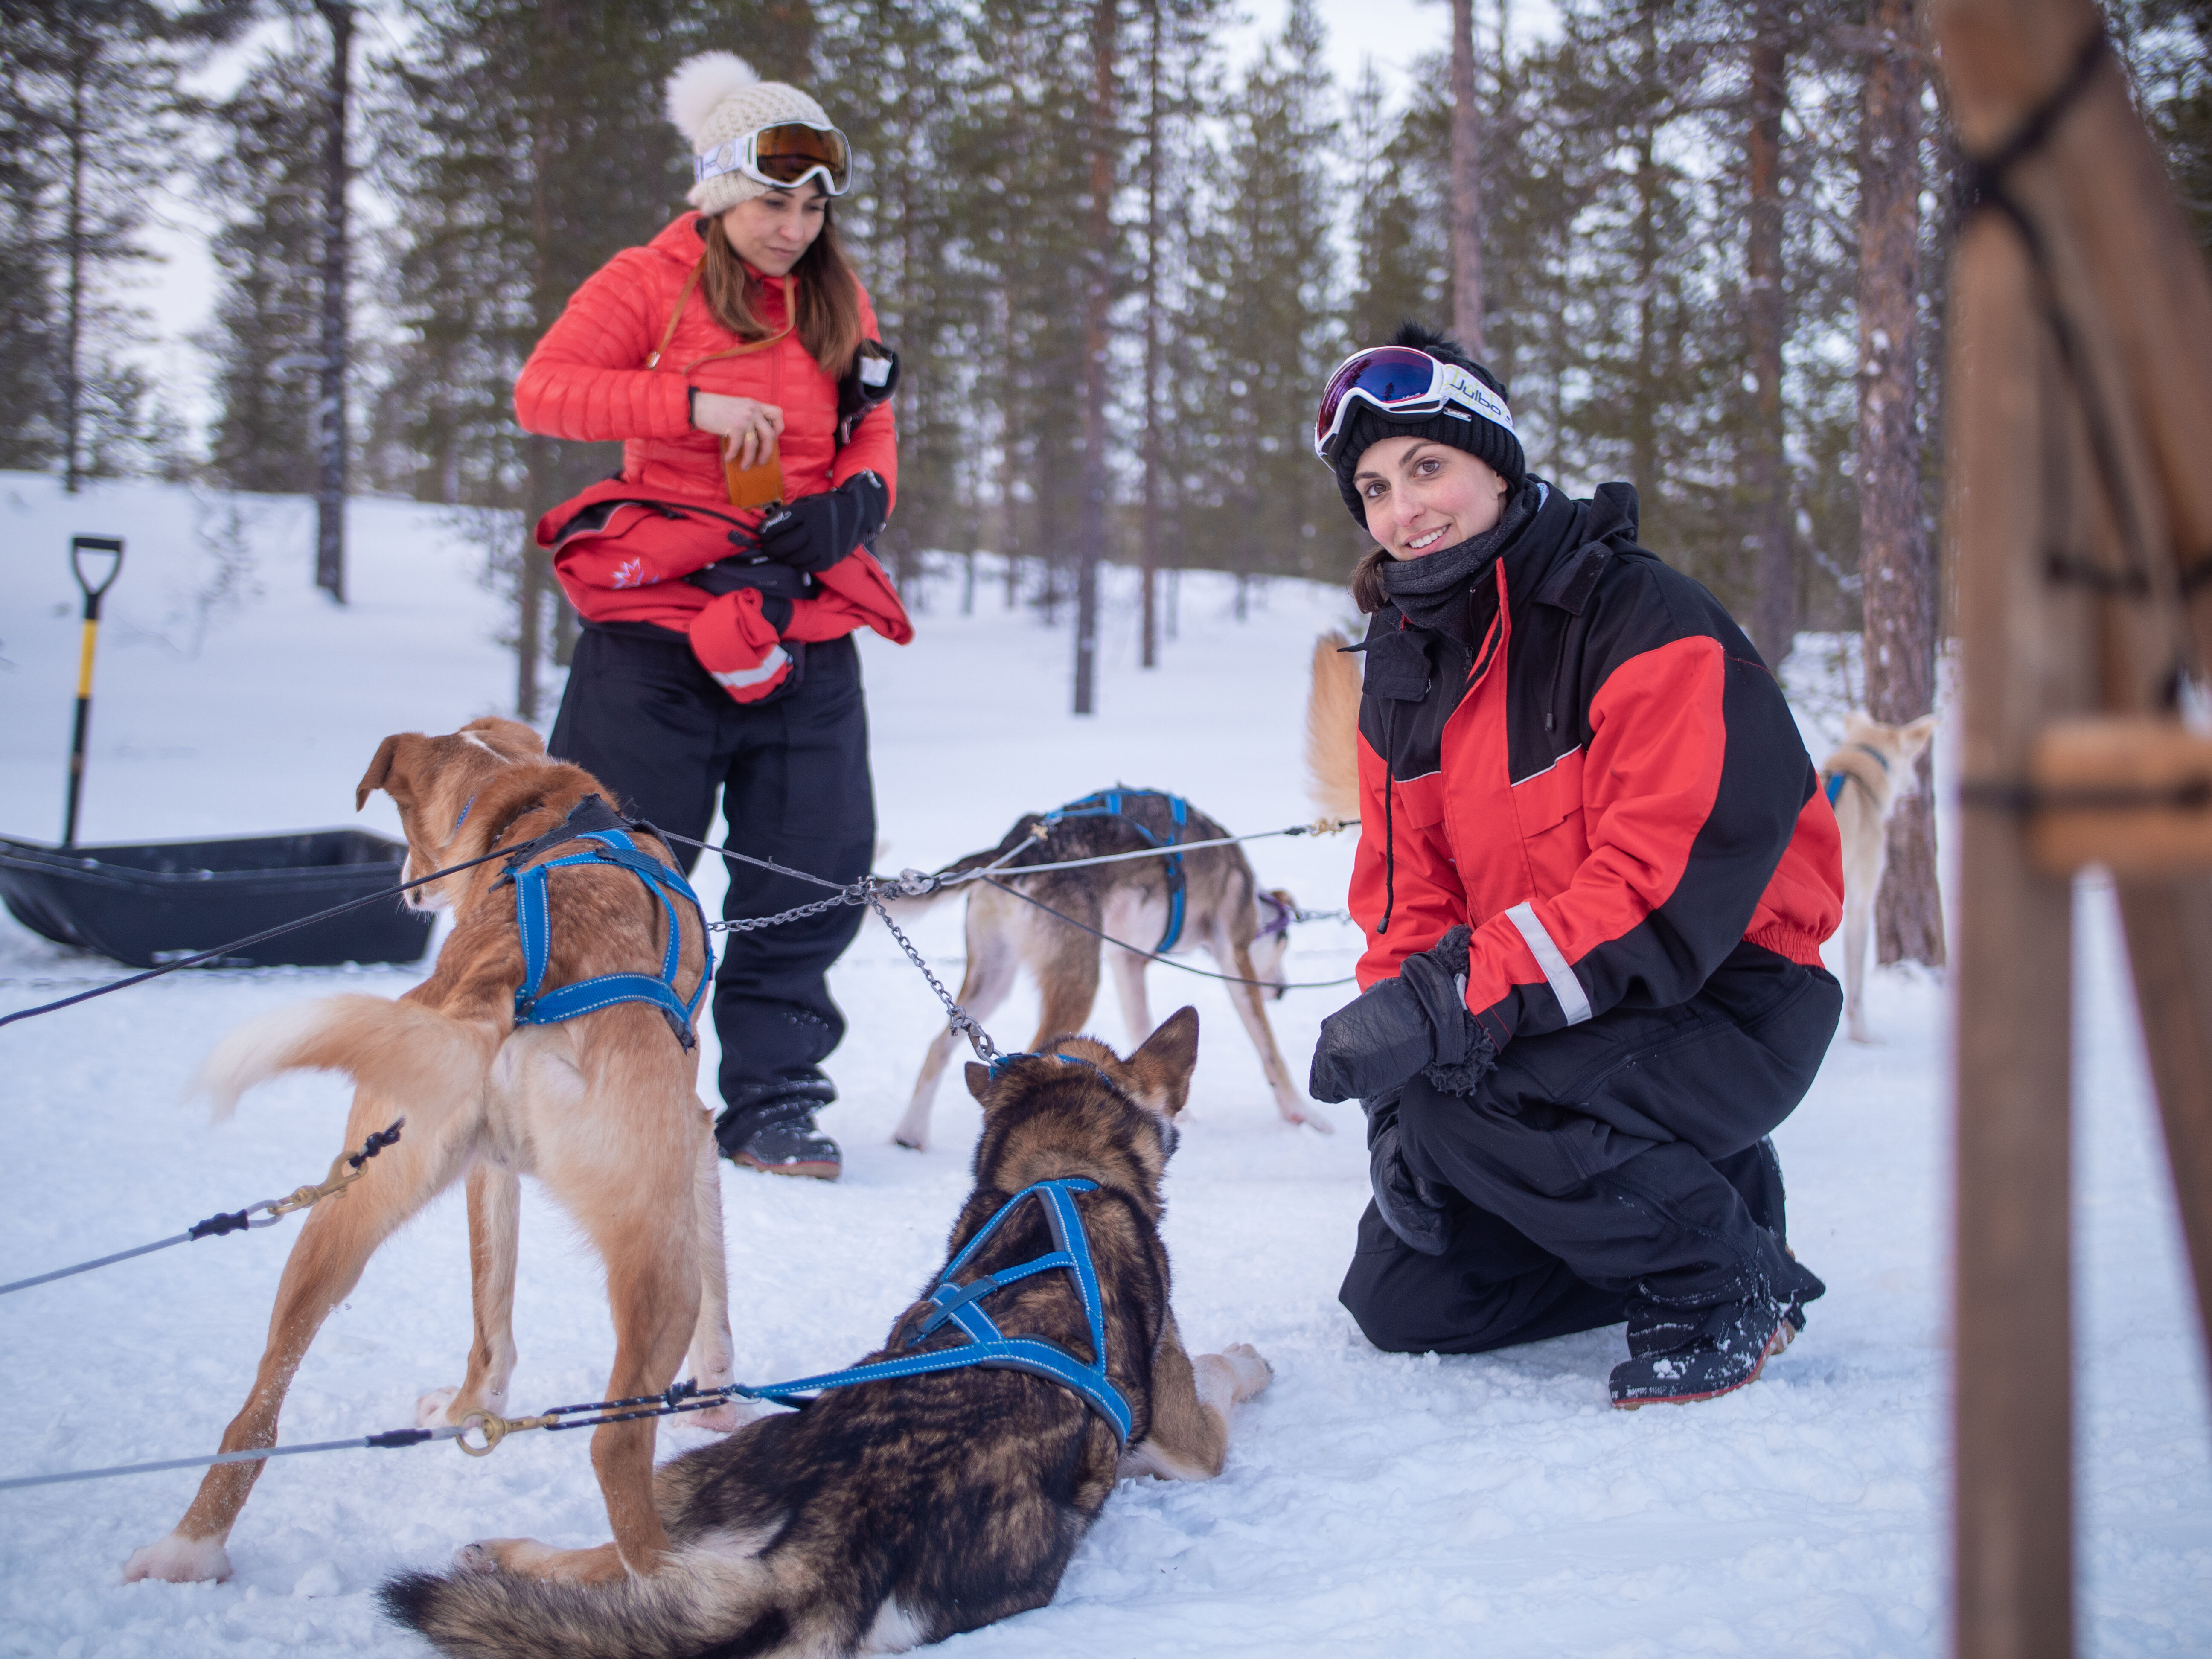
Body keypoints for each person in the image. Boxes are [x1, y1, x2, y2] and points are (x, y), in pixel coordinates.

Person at [1305, 323, 1846, 1406]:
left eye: (1427, 467)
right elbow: (1409, 903)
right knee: (1407, 1299)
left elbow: (1662, 889)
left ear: (1495, 464)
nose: (1403, 510)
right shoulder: (1405, 670)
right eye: (1372, 488)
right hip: (1553, 1004)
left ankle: (1729, 1280)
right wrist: (1398, 1105)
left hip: (1732, 996)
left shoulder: (1638, 616)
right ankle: (1691, 1199)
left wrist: (1444, 1015)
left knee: (1478, 1108)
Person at [513, 52, 911, 1182]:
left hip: (801, 617)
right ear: (717, 194)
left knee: (812, 865)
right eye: (770, 202)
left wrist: (858, 502)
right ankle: (589, 1082)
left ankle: (774, 1102)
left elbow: (873, 420)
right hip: (661, 619)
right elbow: (544, 389)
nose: (793, 227)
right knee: (618, 862)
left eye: (811, 204)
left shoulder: (837, 290)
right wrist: (683, 399)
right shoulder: (652, 278)